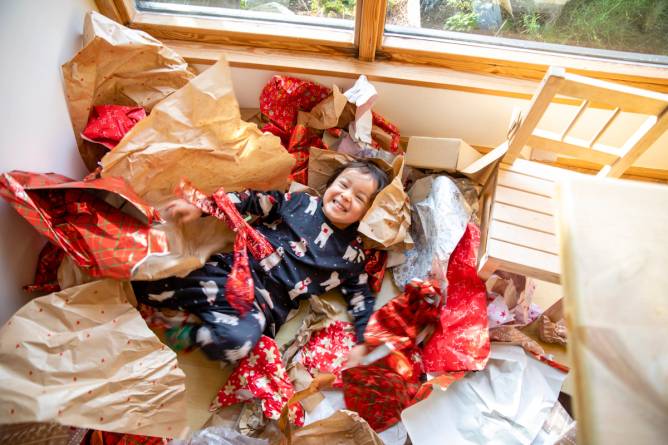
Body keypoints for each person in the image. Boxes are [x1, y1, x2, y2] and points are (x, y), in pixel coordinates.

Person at [132, 160, 389, 366]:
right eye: (343, 185)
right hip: (229, 273)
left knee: (237, 344)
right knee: (145, 284)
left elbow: (361, 298)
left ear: (367, 214)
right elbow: (250, 201)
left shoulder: (352, 257)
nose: (345, 196)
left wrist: (362, 341)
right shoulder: (300, 203)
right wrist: (201, 207)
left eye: (359, 198)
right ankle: (191, 310)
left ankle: (187, 332)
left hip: (260, 307)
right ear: (330, 184)